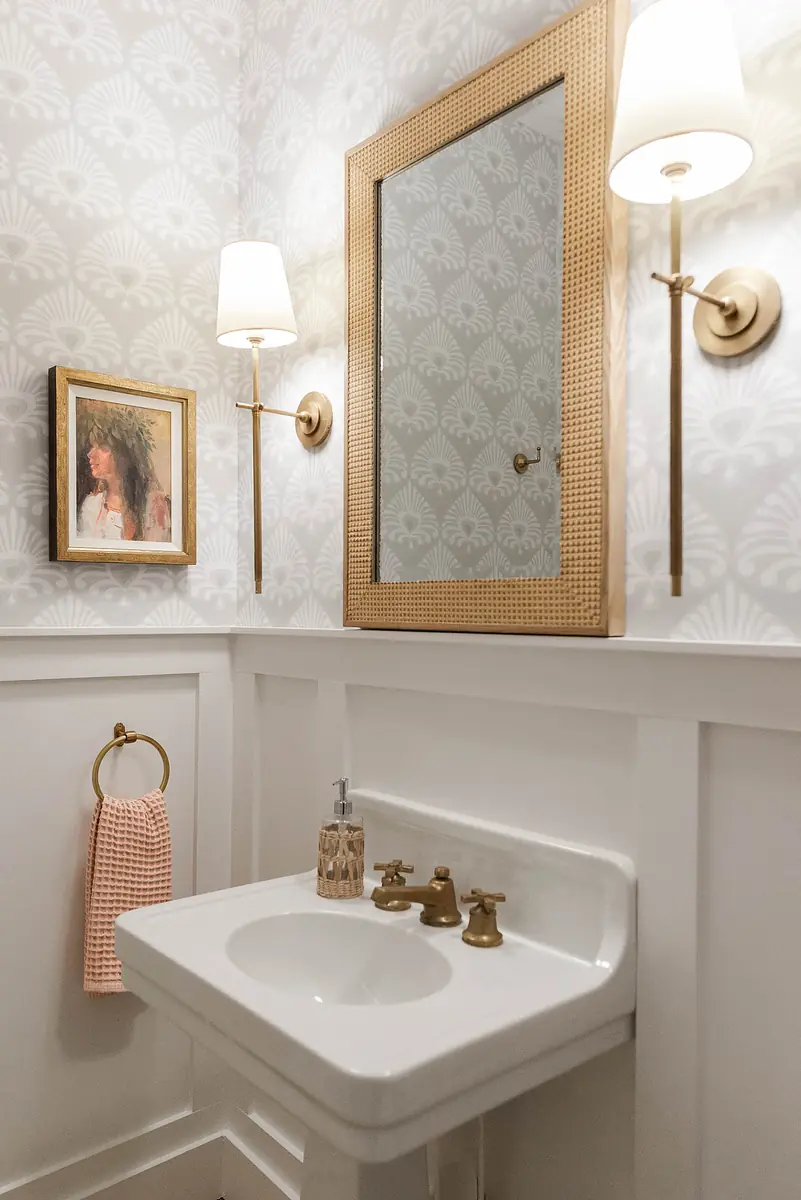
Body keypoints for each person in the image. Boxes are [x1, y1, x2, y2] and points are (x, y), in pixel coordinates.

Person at [76, 402, 170, 542]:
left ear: (123, 454)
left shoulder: (153, 505)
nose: (90, 454)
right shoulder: (91, 505)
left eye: (102, 447)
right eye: (92, 446)